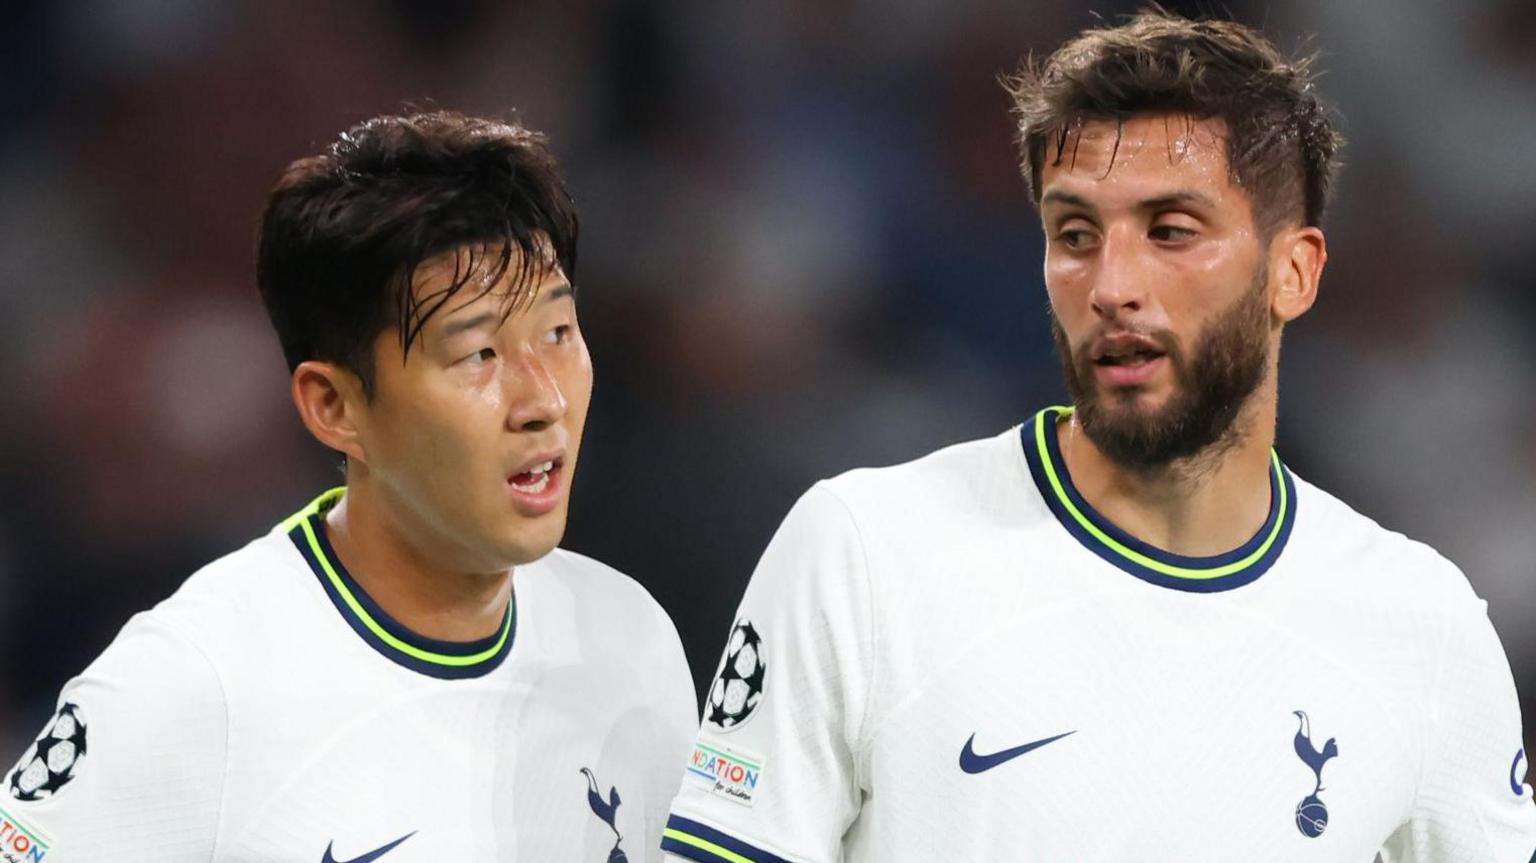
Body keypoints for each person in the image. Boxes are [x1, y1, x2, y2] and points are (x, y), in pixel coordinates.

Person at [661, 10, 1536, 863]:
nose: (1112, 284)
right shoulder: (862, 552)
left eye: (1170, 231)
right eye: (1074, 233)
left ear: (1293, 271)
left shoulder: (1424, 628)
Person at [1, 111, 696, 862]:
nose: (543, 401)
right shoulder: (193, 685)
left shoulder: (634, 641)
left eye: (559, 334)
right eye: (478, 354)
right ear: (334, 406)